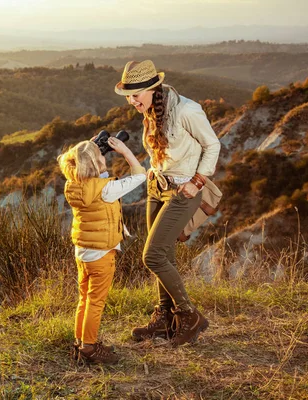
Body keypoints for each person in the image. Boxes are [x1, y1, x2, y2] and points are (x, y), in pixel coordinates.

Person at [114, 60, 220, 346]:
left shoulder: (187, 110)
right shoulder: (150, 110)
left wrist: (196, 182)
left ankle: (189, 315)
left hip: (183, 191)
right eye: (128, 95)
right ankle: (165, 318)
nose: (131, 100)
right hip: (155, 187)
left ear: (152, 89)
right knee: (165, 255)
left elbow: (213, 145)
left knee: (152, 256)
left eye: (135, 94)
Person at [58, 137, 146, 363]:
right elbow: (140, 175)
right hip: (101, 253)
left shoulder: (73, 185)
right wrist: (125, 150)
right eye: (100, 157)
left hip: (82, 251)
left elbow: (94, 180)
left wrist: (90, 153)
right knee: (96, 301)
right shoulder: (106, 189)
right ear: (96, 164)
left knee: (84, 299)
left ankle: (80, 342)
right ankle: (89, 347)